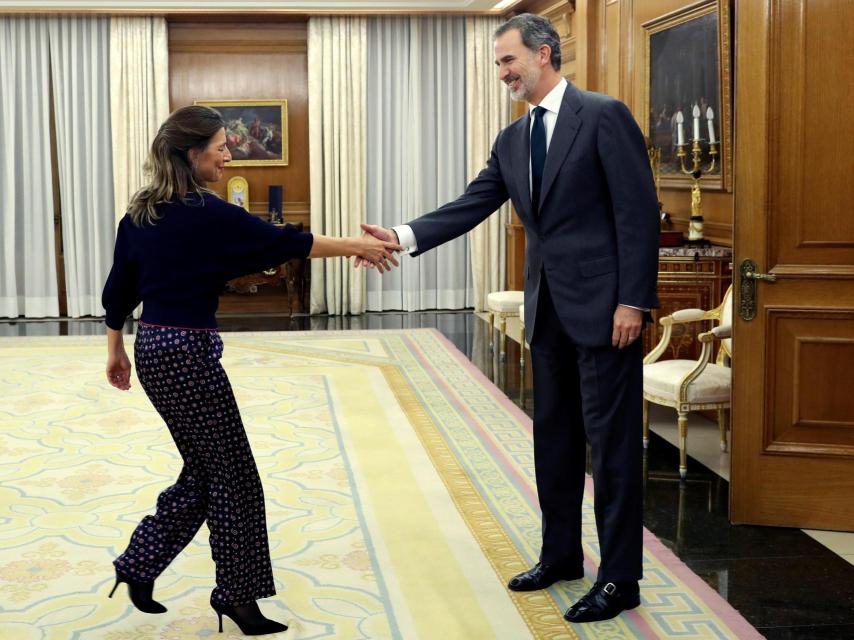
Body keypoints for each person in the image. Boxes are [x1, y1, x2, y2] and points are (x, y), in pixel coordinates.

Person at [357, 14, 658, 624]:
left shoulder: (603, 116)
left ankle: (620, 578)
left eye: (507, 61)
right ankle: (560, 556)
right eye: (498, 64)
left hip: (606, 315)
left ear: (544, 54)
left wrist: (634, 301)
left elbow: (638, 214)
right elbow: (471, 205)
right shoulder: (512, 140)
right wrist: (400, 235)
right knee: (553, 442)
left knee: (614, 450)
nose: (501, 73)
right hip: (546, 314)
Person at [102, 105, 401, 636]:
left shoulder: (141, 214)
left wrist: (116, 349)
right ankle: (237, 599)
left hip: (154, 348)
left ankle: (139, 565)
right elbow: (287, 242)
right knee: (235, 478)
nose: (230, 153)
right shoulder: (206, 213)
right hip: (188, 354)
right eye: (221, 146)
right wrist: (357, 245)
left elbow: (118, 290)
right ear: (193, 155)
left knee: (205, 470)